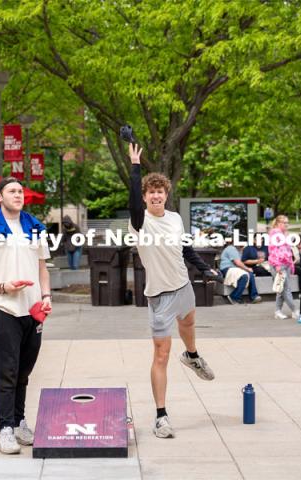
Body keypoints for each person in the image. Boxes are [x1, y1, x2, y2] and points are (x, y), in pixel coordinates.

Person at [128, 143, 216, 439]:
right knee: (162, 354)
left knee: (189, 323)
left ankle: (192, 355)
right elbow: (132, 201)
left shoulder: (176, 219)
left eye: (160, 191)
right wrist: (135, 165)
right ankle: (161, 416)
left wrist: (205, 269)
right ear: (144, 197)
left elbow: (186, 249)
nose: (155, 195)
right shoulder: (139, 221)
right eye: (150, 192)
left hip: (183, 286)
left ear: (166, 195)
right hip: (160, 296)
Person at [0, 176, 52, 455]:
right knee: (7, 372)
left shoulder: (34, 228)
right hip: (5, 308)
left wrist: (47, 297)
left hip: (33, 310)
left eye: (20, 191)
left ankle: (18, 422)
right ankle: (4, 428)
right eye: (12, 191)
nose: (18, 194)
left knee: (24, 372)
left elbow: (42, 268)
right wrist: (2, 286)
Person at [268, 215, 299, 320]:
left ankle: (277, 311)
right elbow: (273, 250)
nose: (286, 224)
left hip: (286, 264)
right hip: (278, 264)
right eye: (284, 222)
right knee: (286, 289)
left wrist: (291, 264)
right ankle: (295, 310)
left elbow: (288, 251)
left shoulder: (285, 234)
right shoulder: (275, 233)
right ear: (278, 223)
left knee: (281, 289)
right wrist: (277, 266)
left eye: (287, 222)